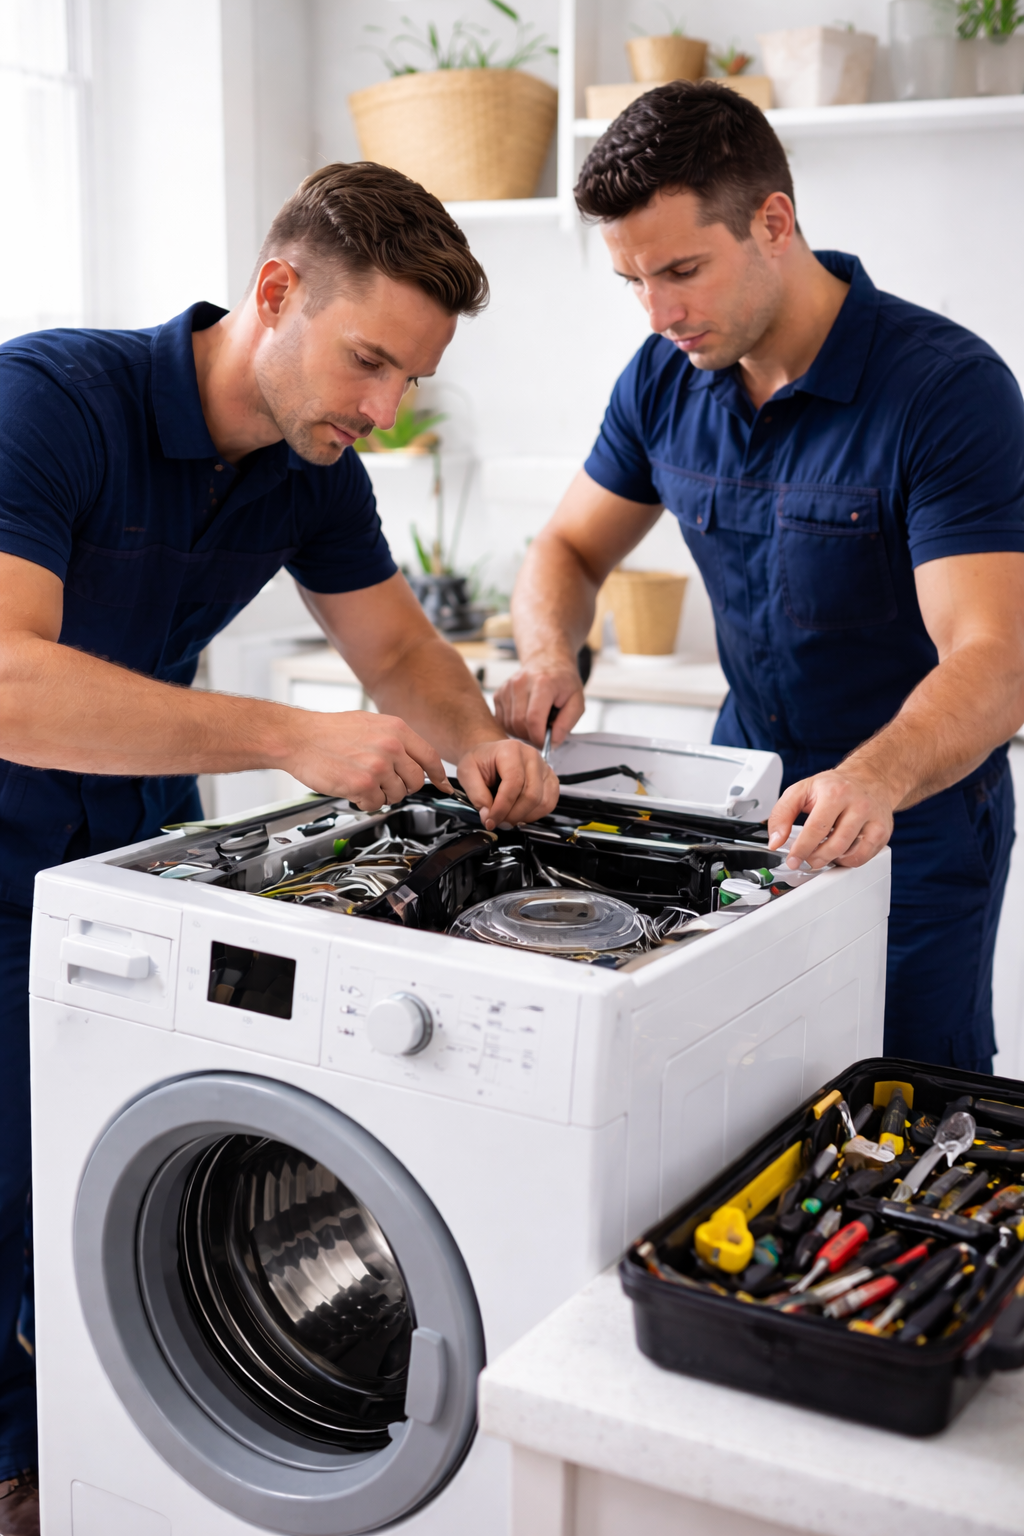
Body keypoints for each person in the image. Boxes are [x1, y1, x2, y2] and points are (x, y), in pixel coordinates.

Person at [0, 161, 556, 1532]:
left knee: (92, 1193)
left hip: (125, 852)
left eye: (407, 381)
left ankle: (83, 1466)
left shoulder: (314, 467)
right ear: (274, 292)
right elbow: (7, 681)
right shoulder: (50, 402)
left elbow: (398, 648)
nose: (381, 409)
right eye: (368, 360)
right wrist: (292, 736)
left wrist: (480, 738)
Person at [496, 81, 1024, 1075]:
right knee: (736, 1102)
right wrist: (546, 653)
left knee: (910, 1122)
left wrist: (871, 778)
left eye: (682, 271)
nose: (658, 314)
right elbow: (564, 549)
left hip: (909, 827)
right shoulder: (662, 378)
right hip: (737, 813)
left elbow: (997, 657)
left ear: (773, 222)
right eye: (632, 282)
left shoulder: (946, 391)